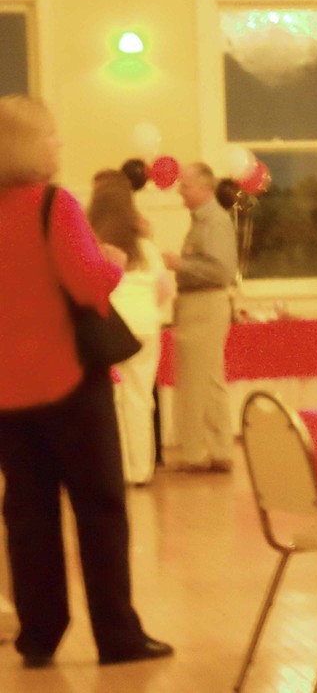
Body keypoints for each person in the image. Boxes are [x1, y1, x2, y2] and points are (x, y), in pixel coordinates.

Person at [0, 94, 172, 666]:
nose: (59, 143)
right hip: (69, 381)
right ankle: (117, 635)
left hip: (8, 392)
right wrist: (112, 264)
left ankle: (39, 635)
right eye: (51, 135)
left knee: (28, 519)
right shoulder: (53, 204)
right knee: (100, 513)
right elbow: (87, 284)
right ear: (30, 145)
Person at [87, 170, 173, 485]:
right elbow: (164, 290)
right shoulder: (146, 247)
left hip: (111, 329)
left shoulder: (93, 245)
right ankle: (142, 470)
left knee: (113, 399)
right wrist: (149, 311)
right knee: (141, 399)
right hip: (146, 328)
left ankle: (118, 468)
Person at [162, 162, 238, 473]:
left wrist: (180, 265)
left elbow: (222, 270)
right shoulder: (202, 221)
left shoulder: (214, 222)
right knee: (205, 379)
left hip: (204, 304)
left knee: (198, 381)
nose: (180, 191)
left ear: (205, 188)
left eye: (186, 186)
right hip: (196, 304)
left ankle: (198, 454)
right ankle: (217, 451)